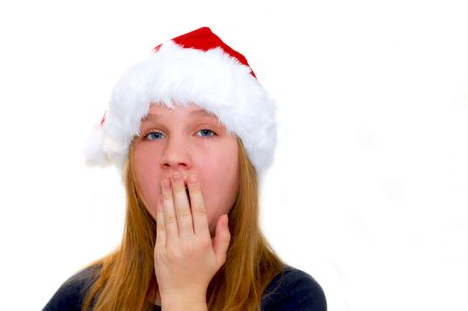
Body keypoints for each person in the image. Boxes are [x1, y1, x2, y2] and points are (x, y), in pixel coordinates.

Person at [43, 27, 327, 311]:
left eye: (205, 131)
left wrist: (183, 295)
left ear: (244, 161)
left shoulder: (291, 297)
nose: (174, 155)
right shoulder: (81, 299)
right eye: (153, 134)